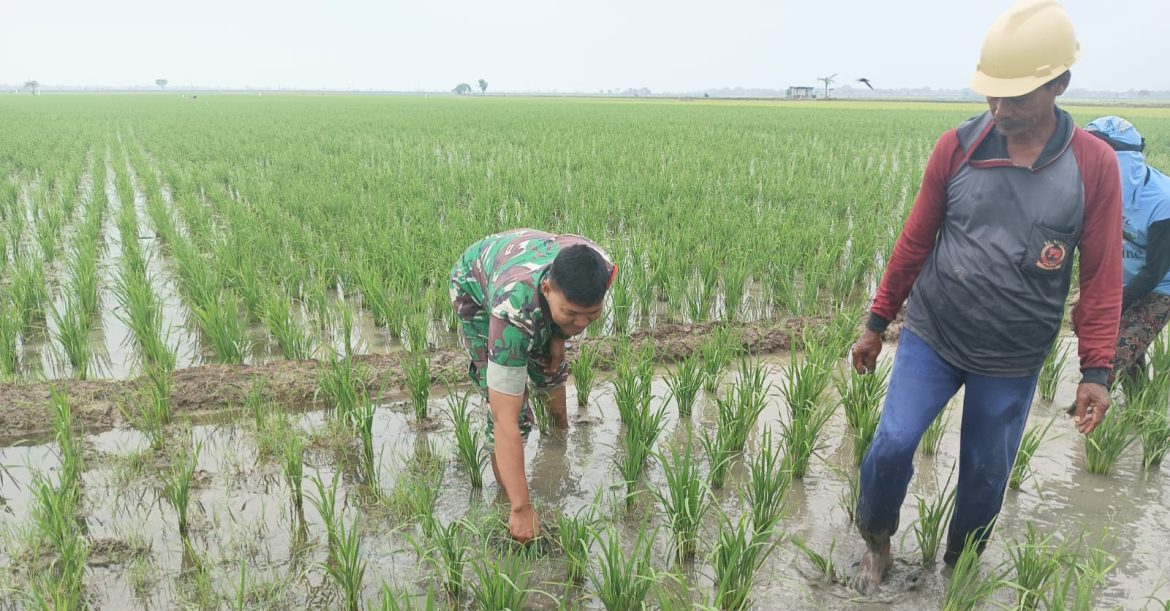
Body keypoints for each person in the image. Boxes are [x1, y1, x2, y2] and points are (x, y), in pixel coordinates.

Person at [847, 0, 1123, 594]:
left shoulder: (1093, 166)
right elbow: (914, 241)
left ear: (1059, 85)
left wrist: (1096, 369)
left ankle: (956, 570)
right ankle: (876, 545)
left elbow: (1101, 276)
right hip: (936, 332)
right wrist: (876, 321)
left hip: (1013, 355)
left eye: (1015, 98)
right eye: (990, 95)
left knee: (985, 474)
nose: (998, 109)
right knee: (892, 442)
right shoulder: (959, 147)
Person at [449, 229, 616, 542]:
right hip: (475, 284)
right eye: (571, 314)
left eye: (591, 316)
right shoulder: (512, 312)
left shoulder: (602, 267)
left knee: (550, 368)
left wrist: (558, 336)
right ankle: (507, 500)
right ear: (547, 288)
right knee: (514, 413)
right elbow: (505, 421)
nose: (581, 324)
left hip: (525, 262)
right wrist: (522, 508)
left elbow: (573, 310)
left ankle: (559, 433)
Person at [1084, 116, 1170, 386]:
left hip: (1161, 286)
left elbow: (1154, 272)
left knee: (1111, 356)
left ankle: (1085, 422)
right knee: (1127, 348)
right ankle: (1138, 413)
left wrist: (1110, 304)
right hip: (1124, 281)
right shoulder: (1092, 187)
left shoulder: (1162, 201)